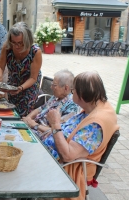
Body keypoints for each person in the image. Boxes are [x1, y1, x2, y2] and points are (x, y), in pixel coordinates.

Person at [44, 71, 119, 200]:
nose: (71, 92)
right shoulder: (96, 105)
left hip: (63, 164)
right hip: (52, 152)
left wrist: (55, 124)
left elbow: (67, 155)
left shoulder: (95, 126)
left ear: (81, 97)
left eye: (73, 90)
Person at [0, 22, 42, 117]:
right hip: (13, 84)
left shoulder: (35, 52)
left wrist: (21, 88)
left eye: (20, 43)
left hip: (29, 86)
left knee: (23, 114)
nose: (17, 46)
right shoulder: (7, 47)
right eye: (14, 42)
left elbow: (33, 78)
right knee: (10, 111)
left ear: (27, 40)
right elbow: (0, 66)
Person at [22, 69, 79, 140]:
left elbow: (58, 132)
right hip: (34, 126)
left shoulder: (72, 106)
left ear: (66, 88)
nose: (51, 87)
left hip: (43, 136)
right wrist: (28, 118)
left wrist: (35, 125)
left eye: (54, 85)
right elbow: (40, 109)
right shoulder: (56, 97)